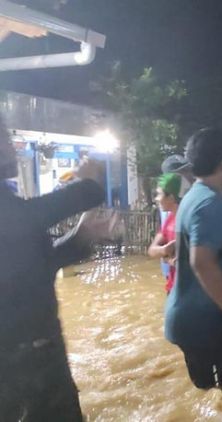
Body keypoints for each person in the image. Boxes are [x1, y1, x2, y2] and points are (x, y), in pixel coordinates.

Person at [0, 118, 109, 420]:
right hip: (23, 363)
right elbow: (25, 219)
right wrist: (88, 184)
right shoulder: (10, 211)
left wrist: (79, 238)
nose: (11, 146)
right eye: (3, 138)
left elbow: (27, 269)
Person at [164, 128, 222, 389]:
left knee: (216, 399)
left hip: (199, 318)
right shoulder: (209, 203)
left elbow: (206, 249)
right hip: (205, 321)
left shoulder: (197, 196)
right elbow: (201, 262)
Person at [148, 173, 181, 293]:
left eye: (159, 194)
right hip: (173, 287)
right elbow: (151, 250)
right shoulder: (170, 219)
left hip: (186, 290)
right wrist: (165, 250)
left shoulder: (188, 221)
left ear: (171, 197)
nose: (156, 199)